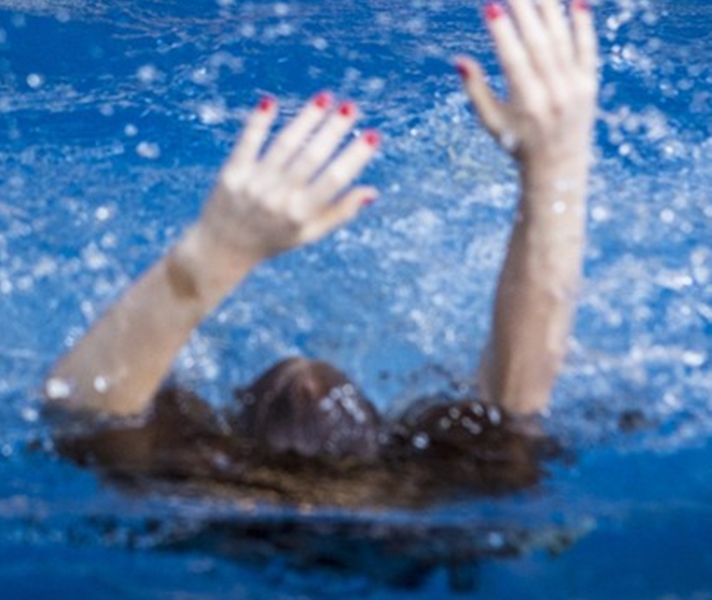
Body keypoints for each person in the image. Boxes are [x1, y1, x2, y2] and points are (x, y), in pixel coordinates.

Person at [43, 0, 598, 508]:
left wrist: (214, 252)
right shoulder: (449, 502)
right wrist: (555, 167)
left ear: (232, 434)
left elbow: (79, 405)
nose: (307, 390)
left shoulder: (187, 491)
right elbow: (519, 400)